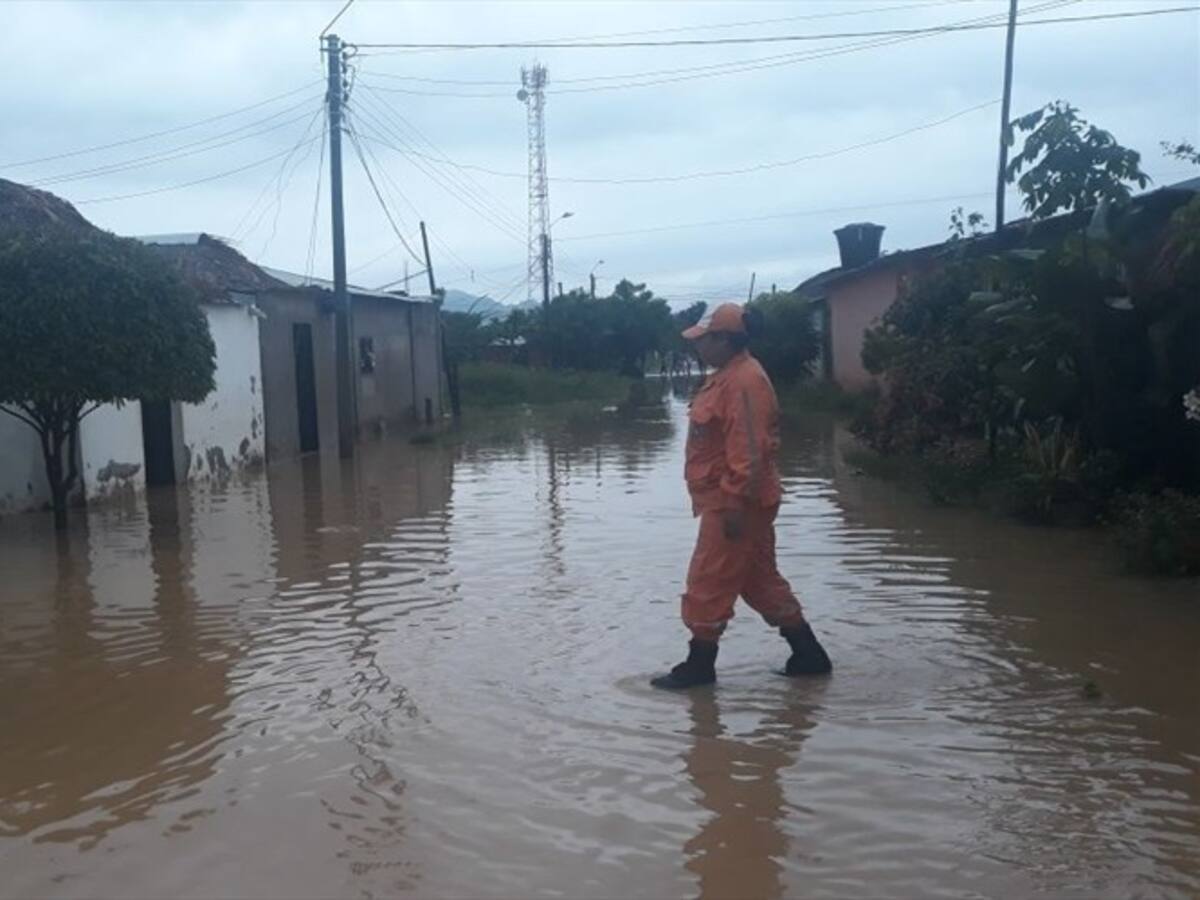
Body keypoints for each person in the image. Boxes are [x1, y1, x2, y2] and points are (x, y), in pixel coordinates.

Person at [651, 302, 832, 690]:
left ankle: (699, 666)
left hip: (734, 502)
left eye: (703, 339)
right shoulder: (729, 377)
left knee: (708, 580)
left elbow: (748, 449)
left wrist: (734, 503)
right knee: (758, 580)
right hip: (739, 499)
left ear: (724, 339)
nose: (697, 346)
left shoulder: (744, 382)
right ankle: (808, 655)